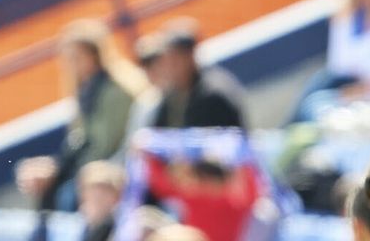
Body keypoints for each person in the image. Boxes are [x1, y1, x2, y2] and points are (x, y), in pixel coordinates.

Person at [16, 20, 149, 210]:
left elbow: (105, 145)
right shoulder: (86, 91)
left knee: (68, 195)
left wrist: (67, 173)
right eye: (68, 58)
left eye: (76, 57)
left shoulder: (116, 91)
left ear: (95, 56)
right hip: (96, 165)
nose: (71, 65)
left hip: (119, 165)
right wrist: (54, 168)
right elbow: (78, 140)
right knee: (47, 189)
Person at [136, 24, 247, 131]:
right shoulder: (173, 93)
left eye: (174, 61)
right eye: (165, 62)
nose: (168, 68)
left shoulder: (213, 93)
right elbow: (157, 132)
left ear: (190, 57)